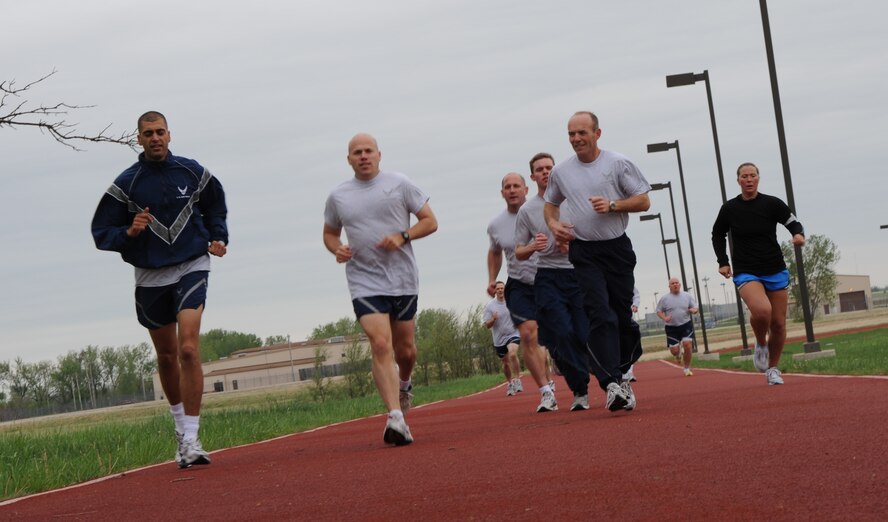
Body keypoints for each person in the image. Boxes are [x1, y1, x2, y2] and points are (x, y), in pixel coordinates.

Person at [91, 111, 228, 468]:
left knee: (188, 348)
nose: (155, 138)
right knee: (167, 356)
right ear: (138, 138)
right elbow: (101, 231)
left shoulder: (191, 171)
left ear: (170, 135)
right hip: (150, 275)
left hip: (191, 265)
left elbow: (215, 204)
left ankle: (194, 438)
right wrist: (129, 233)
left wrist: (218, 236)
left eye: (160, 132)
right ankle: (181, 429)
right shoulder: (127, 183)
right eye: (148, 133)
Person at [323, 133, 438, 445]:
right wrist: (337, 248)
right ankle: (395, 417)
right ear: (348, 159)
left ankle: (405, 383)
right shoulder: (339, 196)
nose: (363, 156)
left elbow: (430, 221)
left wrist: (403, 235)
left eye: (368, 151)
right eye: (356, 152)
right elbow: (330, 233)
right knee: (380, 343)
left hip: (402, 278)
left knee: (406, 350)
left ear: (379, 155)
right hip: (364, 280)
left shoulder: (399, 183)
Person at [544, 111, 650, 412]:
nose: (576, 139)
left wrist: (614, 205)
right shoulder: (562, 172)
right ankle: (612, 383)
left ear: (597, 133)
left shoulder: (617, 163)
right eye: (571, 134)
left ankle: (622, 371)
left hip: (617, 248)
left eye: (582, 133)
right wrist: (554, 226)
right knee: (598, 313)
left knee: (620, 316)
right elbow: (550, 206)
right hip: (584, 251)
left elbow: (643, 200)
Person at [712, 162, 805, 385]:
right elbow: (717, 234)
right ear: (738, 181)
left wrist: (798, 235)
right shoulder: (730, 208)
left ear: (758, 178)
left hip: (774, 267)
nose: (749, 179)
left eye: (753, 175)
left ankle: (772, 369)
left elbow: (792, 222)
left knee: (779, 323)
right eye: (744, 176)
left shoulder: (772, 203)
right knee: (763, 311)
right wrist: (723, 262)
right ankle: (760, 343)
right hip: (746, 270)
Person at [515, 152, 592, 412]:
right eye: (540, 169)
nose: (545, 172)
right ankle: (580, 390)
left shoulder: (573, 199)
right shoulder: (527, 211)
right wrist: (532, 247)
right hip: (547, 275)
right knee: (561, 331)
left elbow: (593, 232)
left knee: (582, 334)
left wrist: (573, 242)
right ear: (533, 176)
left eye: (549, 167)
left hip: (577, 272)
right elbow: (518, 251)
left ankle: (578, 366)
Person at [487, 172, 556, 412]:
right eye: (508, 186)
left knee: (548, 340)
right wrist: (492, 278)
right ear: (502, 192)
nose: (512, 190)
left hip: (550, 279)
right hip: (518, 283)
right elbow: (495, 251)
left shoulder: (543, 211)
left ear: (526, 189)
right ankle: (545, 391)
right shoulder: (496, 224)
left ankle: (552, 374)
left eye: (517, 186)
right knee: (527, 335)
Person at [483, 281, 524, 396]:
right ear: (495, 291)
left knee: (512, 354)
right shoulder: (490, 306)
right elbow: (487, 325)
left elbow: (520, 314)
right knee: (505, 363)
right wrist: (493, 319)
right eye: (498, 289)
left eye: (502, 288)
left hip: (513, 333)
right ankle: (510, 383)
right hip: (499, 338)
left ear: (505, 289)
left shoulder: (512, 301)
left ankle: (517, 380)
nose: (500, 290)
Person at [656, 278, 699, 376]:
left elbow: (695, 307)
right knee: (674, 351)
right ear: (669, 286)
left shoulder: (687, 296)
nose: (675, 285)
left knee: (687, 345)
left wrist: (693, 310)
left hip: (685, 324)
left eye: (676, 283)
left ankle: (687, 368)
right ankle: (678, 355)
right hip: (671, 327)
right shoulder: (664, 298)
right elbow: (658, 311)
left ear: (680, 285)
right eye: (672, 283)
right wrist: (665, 318)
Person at [622, 287, 641, 382]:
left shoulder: (627, 280)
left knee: (629, 345)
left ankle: (629, 372)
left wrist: (635, 305)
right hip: (612, 318)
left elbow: (636, 295)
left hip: (627, 317)